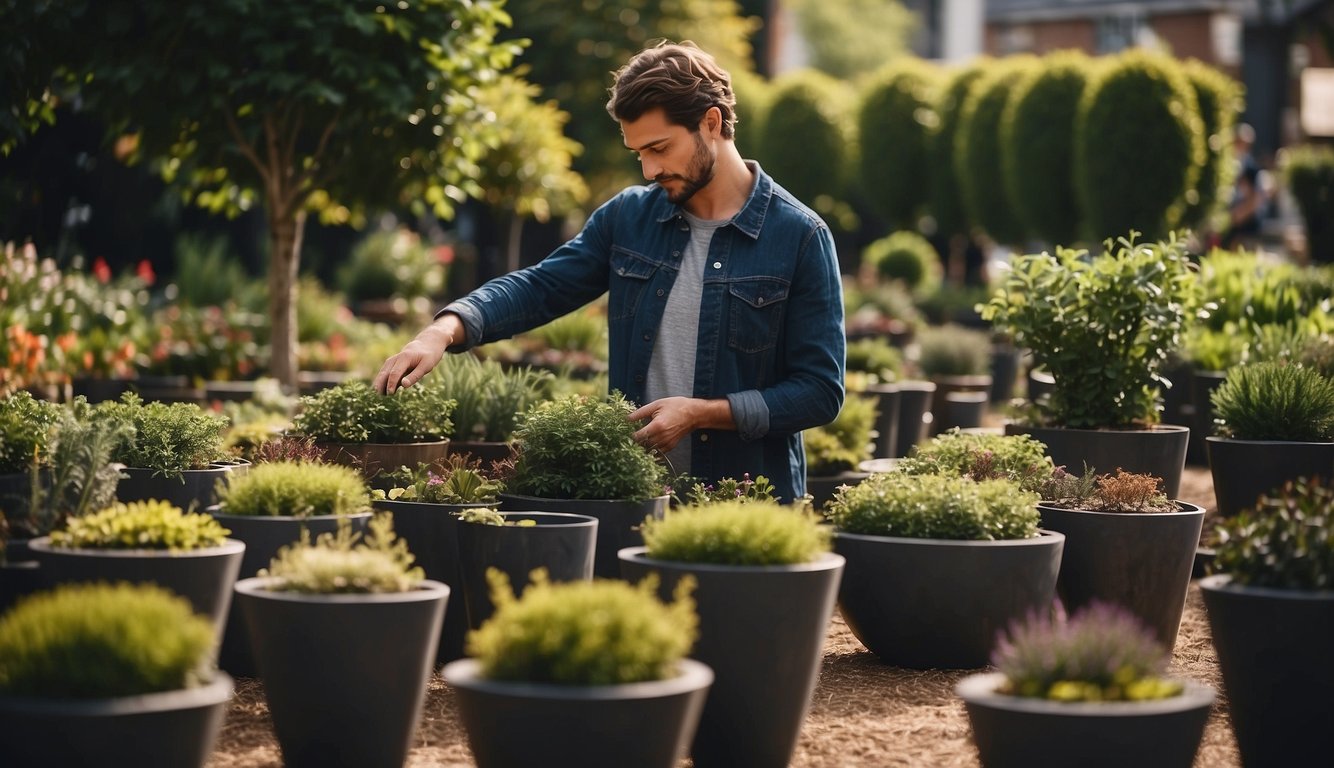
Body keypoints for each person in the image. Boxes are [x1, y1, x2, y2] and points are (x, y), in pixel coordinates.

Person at [373, 41, 845, 503]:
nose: (648, 169)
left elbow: (819, 392)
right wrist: (444, 330)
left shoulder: (799, 235)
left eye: (659, 148)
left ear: (711, 122)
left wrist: (701, 414)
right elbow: (541, 286)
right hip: (633, 500)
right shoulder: (628, 219)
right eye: (638, 152)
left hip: (745, 513)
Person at [1221, 122, 1265, 250]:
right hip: (1233, 226)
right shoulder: (1230, 164)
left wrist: (1238, 216)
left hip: (1247, 227)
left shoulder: (1251, 168)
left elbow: (1257, 197)